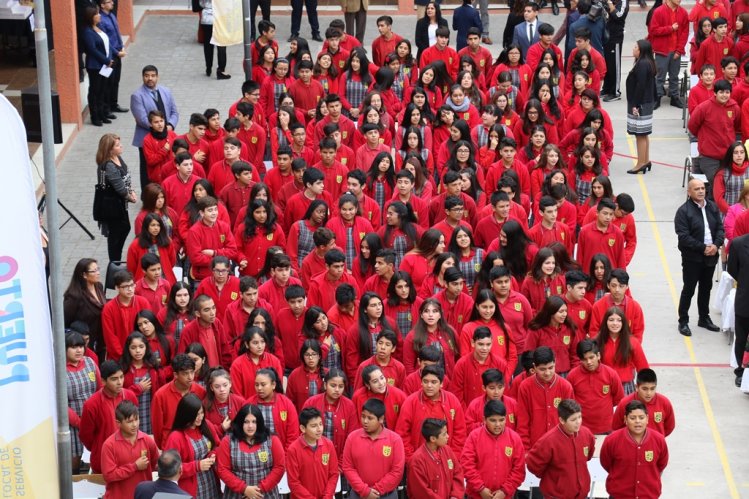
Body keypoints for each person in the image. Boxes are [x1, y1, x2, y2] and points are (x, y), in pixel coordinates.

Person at [675, 178, 724, 336]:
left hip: (711, 256)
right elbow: (684, 237)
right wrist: (703, 248)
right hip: (693, 258)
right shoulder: (683, 211)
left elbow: (720, 229)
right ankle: (683, 320)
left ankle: (704, 318)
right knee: (689, 289)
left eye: (702, 188)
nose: (701, 191)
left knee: (706, 288)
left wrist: (716, 245)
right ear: (689, 192)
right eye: (697, 189)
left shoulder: (712, 207)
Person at [526, 399, 596, 499]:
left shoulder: (587, 434)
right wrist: (553, 480)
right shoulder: (548, 440)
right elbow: (533, 464)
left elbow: (588, 456)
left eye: (579, 417)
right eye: (573, 420)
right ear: (562, 420)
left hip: (582, 494)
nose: (578, 422)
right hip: (556, 496)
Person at [396, 365, 467, 461]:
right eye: (425, 381)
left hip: (446, 460)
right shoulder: (411, 402)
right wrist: (412, 459)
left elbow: (460, 433)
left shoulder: (452, 401)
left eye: (434, 382)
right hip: (418, 461)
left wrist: (451, 458)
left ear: (441, 383)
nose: (429, 386)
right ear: (421, 382)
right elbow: (402, 434)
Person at [601, 400, 670, 498]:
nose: (637, 421)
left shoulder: (659, 440)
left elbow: (661, 465)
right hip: (619, 495)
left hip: (648, 495)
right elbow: (606, 463)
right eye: (633, 418)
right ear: (625, 419)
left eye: (641, 418)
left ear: (647, 419)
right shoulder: (611, 440)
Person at [80, 360, 139, 473]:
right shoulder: (91, 404)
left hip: (130, 458)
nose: (119, 382)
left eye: (121, 377)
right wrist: (99, 448)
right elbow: (85, 435)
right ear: (103, 381)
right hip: (103, 461)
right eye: (114, 379)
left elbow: (135, 425)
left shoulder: (130, 396)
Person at [216, 404, 286, 498]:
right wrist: (244, 489)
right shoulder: (227, 441)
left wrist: (259, 489)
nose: (250, 426)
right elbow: (222, 469)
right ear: (240, 422)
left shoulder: (272, 440)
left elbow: (279, 467)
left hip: (266, 494)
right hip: (236, 495)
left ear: (259, 423)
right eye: (246, 422)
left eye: (254, 422)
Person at [342, 398, 406, 499]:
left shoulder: (395, 440)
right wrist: (365, 491)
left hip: (387, 495)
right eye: (363, 416)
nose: (365, 421)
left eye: (370, 418)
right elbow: (347, 467)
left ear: (381, 419)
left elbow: (397, 471)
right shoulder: (352, 438)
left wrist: (377, 491)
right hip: (358, 494)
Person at [163, 393, 222, 498]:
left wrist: (213, 454)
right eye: (196, 415)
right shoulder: (175, 437)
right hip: (190, 489)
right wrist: (197, 466)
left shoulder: (206, 425)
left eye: (201, 413)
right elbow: (170, 468)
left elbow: (217, 446)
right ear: (187, 415)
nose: (200, 417)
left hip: (211, 482)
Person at [515, 346, 574, 449]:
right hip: (535, 446)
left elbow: (571, 420)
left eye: (550, 368)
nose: (547, 373)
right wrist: (525, 450)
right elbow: (523, 422)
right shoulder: (525, 387)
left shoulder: (565, 386)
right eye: (542, 369)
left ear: (555, 362)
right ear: (534, 367)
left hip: (560, 446)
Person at [131, 65, 180, 189]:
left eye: (153, 76)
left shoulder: (166, 91)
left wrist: (170, 125)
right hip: (147, 137)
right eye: (146, 76)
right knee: (147, 169)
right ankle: (147, 195)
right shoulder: (137, 95)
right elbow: (142, 119)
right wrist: (159, 127)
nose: (150, 78)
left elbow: (174, 112)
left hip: (166, 135)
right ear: (143, 77)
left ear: (157, 77)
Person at [687, 81, 742, 193]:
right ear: (715, 93)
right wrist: (705, 138)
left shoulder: (735, 108)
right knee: (718, 183)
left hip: (728, 156)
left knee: (733, 182)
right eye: (721, 92)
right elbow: (692, 126)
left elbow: (736, 126)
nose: (724, 95)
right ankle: (715, 207)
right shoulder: (703, 108)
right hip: (709, 157)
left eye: (727, 92)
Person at [101, 400, 160, 498]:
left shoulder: (147, 440)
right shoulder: (109, 445)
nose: (134, 425)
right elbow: (109, 475)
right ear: (118, 423)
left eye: (136, 419)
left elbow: (155, 465)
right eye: (129, 421)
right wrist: (134, 467)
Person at [567, 339, 624, 434]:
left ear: (598, 355)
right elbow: (569, 402)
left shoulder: (611, 374)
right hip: (581, 429)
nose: (589, 362)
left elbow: (618, 399)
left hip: (607, 428)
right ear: (580, 360)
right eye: (584, 359)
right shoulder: (572, 376)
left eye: (591, 357)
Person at [152, 354, 207, 448]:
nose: (190, 377)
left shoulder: (200, 391)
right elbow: (157, 427)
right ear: (175, 375)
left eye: (192, 372)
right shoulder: (160, 395)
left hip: (194, 443)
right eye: (185, 373)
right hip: (171, 444)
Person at [96, 133, 137, 262]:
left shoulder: (117, 158)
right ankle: (114, 262)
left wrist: (132, 190)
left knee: (124, 229)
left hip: (120, 204)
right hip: (112, 206)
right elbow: (119, 187)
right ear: (110, 149)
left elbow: (125, 177)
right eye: (118, 145)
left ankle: (116, 260)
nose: (121, 146)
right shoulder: (109, 166)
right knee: (116, 235)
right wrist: (131, 197)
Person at [65, 331, 101, 474]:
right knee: (74, 464)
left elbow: (100, 389)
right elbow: (61, 404)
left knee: (97, 457)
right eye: (74, 347)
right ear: (65, 349)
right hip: (73, 423)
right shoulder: (59, 370)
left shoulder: (90, 363)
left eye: (81, 346)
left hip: (95, 419)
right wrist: (81, 423)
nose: (79, 350)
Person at [286, 407, 340, 497]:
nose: (319, 429)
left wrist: (327, 496)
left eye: (320, 424)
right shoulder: (293, 450)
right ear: (303, 428)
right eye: (314, 426)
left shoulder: (328, 444)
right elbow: (294, 483)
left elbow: (334, 474)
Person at [407, 418, 465, 498]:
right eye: (444, 434)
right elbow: (422, 492)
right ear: (433, 439)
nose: (448, 436)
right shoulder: (417, 461)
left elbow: (458, 473)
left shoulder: (447, 450)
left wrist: (455, 496)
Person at [647, 0, 689, 109]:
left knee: (674, 76)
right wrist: (670, 28)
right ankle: (658, 97)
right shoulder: (658, 11)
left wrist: (679, 50)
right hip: (662, 50)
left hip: (676, 50)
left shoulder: (683, 13)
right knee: (660, 76)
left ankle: (674, 97)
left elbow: (685, 33)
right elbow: (653, 30)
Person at [102, 270, 151, 361]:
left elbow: (149, 329)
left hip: (141, 354)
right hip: (119, 357)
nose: (130, 289)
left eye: (132, 285)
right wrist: (123, 357)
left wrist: (142, 351)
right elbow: (110, 337)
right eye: (125, 286)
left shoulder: (143, 302)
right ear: (117, 288)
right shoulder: (108, 308)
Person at [611, 368, 676, 437]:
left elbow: (669, 427)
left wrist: (657, 439)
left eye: (652, 388)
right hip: (631, 446)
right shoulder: (624, 403)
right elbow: (616, 427)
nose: (649, 393)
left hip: (655, 446)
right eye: (644, 389)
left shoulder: (664, 403)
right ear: (636, 387)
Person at [64, 258, 107, 360]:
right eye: (94, 271)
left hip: (100, 339)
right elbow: (64, 322)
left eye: (98, 269)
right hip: (84, 344)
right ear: (84, 275)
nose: (98, 273)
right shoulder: (74, 297)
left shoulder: (99, 287)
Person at [626, 40, 658, 174]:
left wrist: (635, 104)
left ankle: (640, 163)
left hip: (641, 103)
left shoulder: (642, 65)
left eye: (635, 47)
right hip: (646, 102)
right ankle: (645, 160)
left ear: (641, 51)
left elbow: (640, 86)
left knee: (640, 134)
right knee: (643, 134)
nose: (633, 49)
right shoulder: (647, 62)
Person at [178, 294, 233, 369]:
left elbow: (225, 351)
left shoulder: (217, 323)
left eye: (213, 308)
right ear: (197, 313)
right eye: (207, 310)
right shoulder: (188, 331)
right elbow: (183, 359)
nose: (212, 313)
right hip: (199, 377)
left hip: (216, 375)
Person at [81, 6, 113, 127]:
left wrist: (109, 59)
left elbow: (107, 44)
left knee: (103, 90)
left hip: (105, 65)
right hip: (95, 66)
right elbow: (92, 50)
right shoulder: (87, 32)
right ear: (91, 17)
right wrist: (105, 60)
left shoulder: (98, 28)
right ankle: (95, 116)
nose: (99, 16)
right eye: (97, 14)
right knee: (95, 90)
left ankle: (102, 113)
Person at [727, 224, 749, 386]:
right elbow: (733, 270)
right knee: (741, 337)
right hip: (745, 298)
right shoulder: (738, 244)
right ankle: (740, 370)